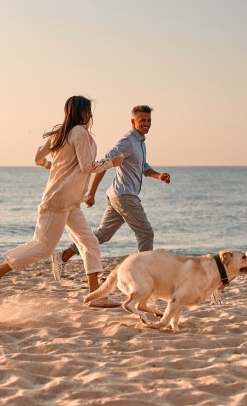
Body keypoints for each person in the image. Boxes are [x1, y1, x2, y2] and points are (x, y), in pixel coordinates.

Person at [0, 95, 124, 307]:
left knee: (90, 242)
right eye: (89, 111)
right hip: (58, 201)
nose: (91, 115)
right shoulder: (80, 133)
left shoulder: (61, 133)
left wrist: (51, 166)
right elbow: (87, 166)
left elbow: (38, 157)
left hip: (70, 202)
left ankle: (96, 295)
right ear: (84, 113)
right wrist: (112, 162)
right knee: (43, 247)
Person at [53, 105, 170, 279]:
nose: (146, 124)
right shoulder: (128, 141)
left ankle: (62, 256)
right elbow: (104, 163)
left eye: (148, 120)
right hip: (125, 196)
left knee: (103, 234)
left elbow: (143, 167)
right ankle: (145, 274)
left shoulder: (140, 143)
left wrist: (159, 176)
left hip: (117, 195)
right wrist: (91, 193)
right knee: (146, 233)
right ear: (133, 122)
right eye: (142, 120)